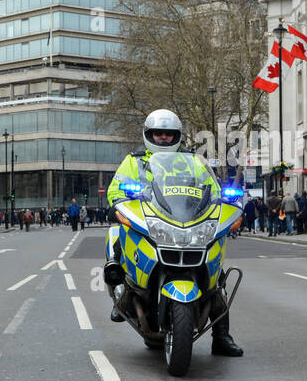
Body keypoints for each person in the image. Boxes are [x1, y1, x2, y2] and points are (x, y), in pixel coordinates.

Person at [103, 109, 241, 356]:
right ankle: (123, 292)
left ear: (177, 136)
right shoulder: (134, 161)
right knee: (119, 235)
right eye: (158, 134)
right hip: (152, 220)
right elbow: (115, 191)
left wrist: (221, 203)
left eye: (169, 134)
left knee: (216, 280)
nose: (164, 138)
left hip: (188, 223)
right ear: (149, 135)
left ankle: (222, 337)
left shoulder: (194, 162)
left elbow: (213, 190)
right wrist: (119, 204)